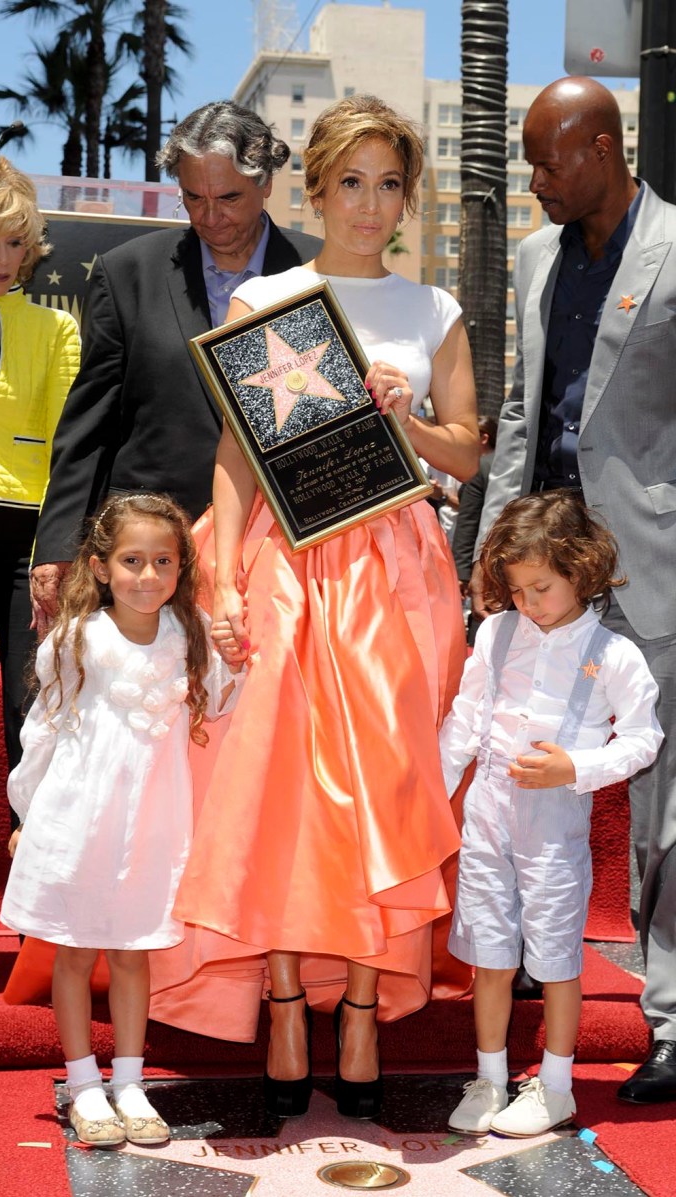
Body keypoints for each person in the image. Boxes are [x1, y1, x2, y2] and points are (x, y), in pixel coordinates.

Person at [152, 94, 479, 1120]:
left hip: (398, 576)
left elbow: (468, 448)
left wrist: (409, 417)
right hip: (287, 564)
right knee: (284, 792)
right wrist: (214, 578)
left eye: (388, 184)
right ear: (317, 186)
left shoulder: (432, 311)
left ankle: (363, 1008)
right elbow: (234, 457)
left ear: (405, 196)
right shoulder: (269, 299)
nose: (369, 205)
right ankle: (288, 996)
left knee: (381, 791)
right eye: (350, 182)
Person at [469, 76, 676, 1103]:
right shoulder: (533, 255)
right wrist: (493, 540)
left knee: (663, 804)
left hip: (656, 566)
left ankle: (673, 1020)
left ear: (600, 147)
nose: (535, 179)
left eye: (548, 160)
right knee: (512, 768)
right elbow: (523, 408)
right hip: (547, 577)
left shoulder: (674, 246)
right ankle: (503, 1014)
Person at [1, 492, 242, 1148]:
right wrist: (27, 809)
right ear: (102, 566)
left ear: (181, 566)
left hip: (150, 826)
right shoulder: (80, 637)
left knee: (134, 956)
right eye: (132, 560)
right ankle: (83, 1085)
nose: (148, 575)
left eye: (163, 560)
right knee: (75, 953)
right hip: (80, 821)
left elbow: (220, 702)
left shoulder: (186, 632)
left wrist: (235, 656)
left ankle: (130, 1081)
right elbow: (43, 730)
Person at [29, 100, 321, 632]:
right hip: (149, 559)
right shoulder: (127, 272)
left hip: (279, 550)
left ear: (267, 183)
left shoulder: (317, 271)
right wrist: (55, 545)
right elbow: (89, 426)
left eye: (229, 197)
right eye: (193, 197)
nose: (210, 217)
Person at [442, 491, 662, 1138]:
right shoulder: (495, 632)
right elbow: (465, 716)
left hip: (555, 827)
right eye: (515, 589)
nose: (526, 602)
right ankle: (487, 1076)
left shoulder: (609, 653)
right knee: (490, 951)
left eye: (540, 587)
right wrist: (436, 783)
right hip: (488, 814)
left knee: (558, 957)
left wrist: (576, 767)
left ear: (580, 569)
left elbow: (643, 738)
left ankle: (558, 1085)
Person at [0, 156, 80, 809]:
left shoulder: (58, 328)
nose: (3, 255)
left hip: (32, 530)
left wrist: (59, 545)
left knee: (31, 694)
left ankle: (31, 842)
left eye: (14, 240)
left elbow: (69, 443)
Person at [451, 415, 497, 644]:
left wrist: (461, 573)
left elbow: (467, 520)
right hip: (488, 565)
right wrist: (462, 573)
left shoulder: (485, 466)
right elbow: (469, 519)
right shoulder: (483, 468)